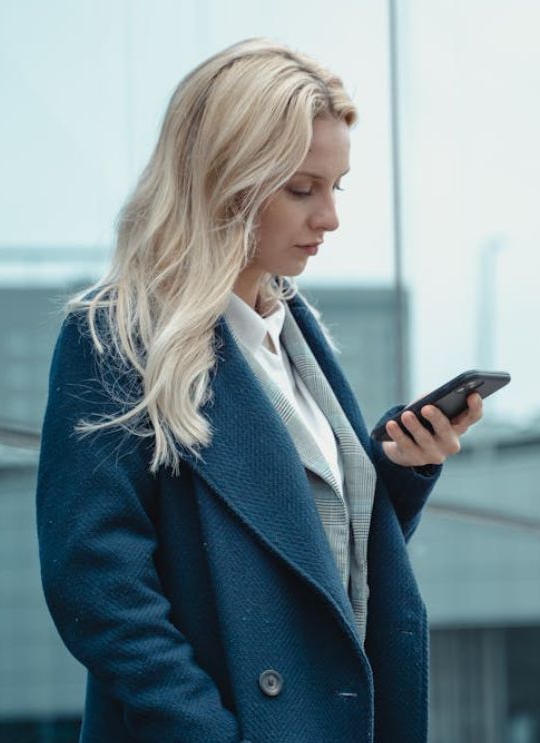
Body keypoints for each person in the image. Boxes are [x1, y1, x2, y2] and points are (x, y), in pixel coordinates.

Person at [36, 37, 483, 743]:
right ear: (225, 178)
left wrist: (394, 470)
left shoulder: (295, 335)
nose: (328, 218)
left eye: (336, 187)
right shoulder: (118, 336)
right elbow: (97, 585)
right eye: (302, 189)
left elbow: (314, 566)